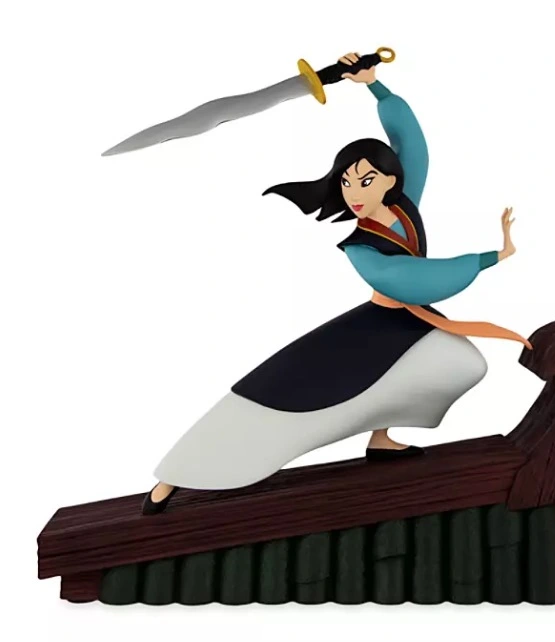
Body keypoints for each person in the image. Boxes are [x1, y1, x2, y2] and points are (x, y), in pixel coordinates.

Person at [141, 53, 530, 515]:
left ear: (389, 179)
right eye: (347, 184)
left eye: (366, 180)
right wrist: (488, 258)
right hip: (385, 319)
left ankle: (382, 437)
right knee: (290, 390)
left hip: (409, 321)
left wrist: (373, 84)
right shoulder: (361, 246)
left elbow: (412, 142)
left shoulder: (403, 205)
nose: (355, 193)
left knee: (457, 366)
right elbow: (403, 279)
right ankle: (175, 477)